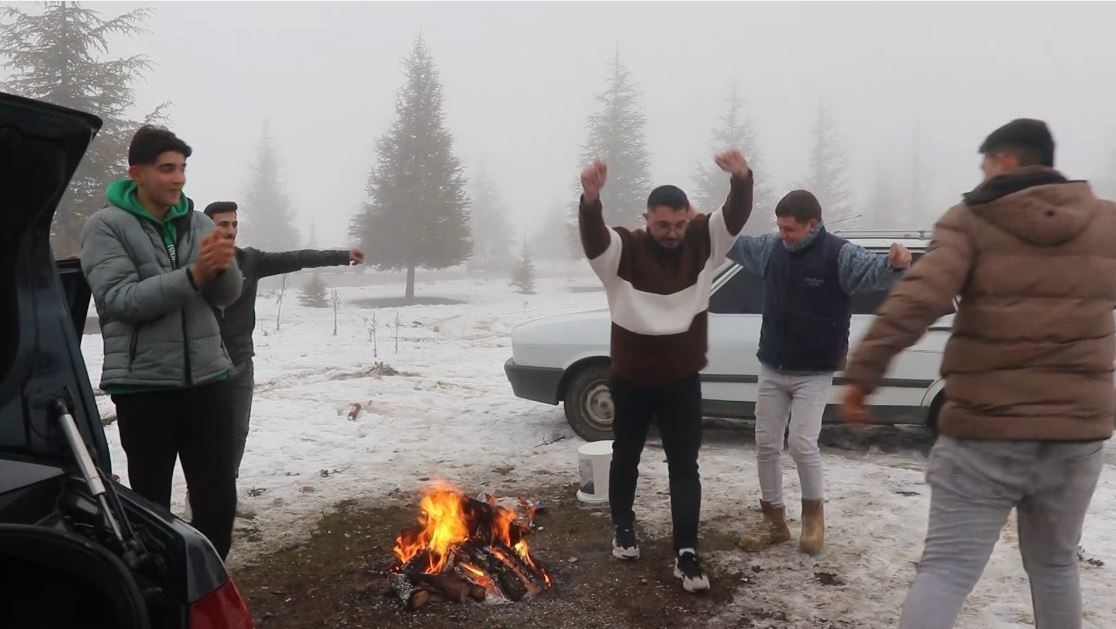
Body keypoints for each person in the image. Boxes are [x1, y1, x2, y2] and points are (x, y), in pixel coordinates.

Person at [841, 118, 1116, 629]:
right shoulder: (1107, 223)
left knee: (947, 569)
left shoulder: (970, 221)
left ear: (1005, 160)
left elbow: (918, 298)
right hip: (1075, 437)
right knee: (1056, 565)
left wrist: (863, 373)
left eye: (984, 162)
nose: (982, 173)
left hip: (986, 431)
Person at [578, 149, 753, 593]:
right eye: (662, 225)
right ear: (646, 219)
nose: (672, 233)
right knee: (626, 456)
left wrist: (741, 178)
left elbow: (735, 215)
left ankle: (687, 551)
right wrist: (591, 200)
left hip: (681, 381)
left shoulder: (703, 241)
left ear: (689, 217)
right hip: (632, 379)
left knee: (684, 466)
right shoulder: (624, 251)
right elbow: (595, 239)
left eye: (678, 224)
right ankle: (623, 527)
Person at [81, 125, 242, 559]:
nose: (179, 179)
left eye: (183, 168)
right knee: (151, 506)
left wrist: (222, 270)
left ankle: (208, 590)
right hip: (145, 388)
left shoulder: (200, 221)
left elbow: (227, 297)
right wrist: (194, 275)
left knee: (218, 501)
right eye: (167, 169)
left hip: (208, 380)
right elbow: (119, 300)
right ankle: (162, 597)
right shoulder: (105, 227)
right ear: (137, 172)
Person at [727, 190, 911, 555]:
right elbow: (733, 244)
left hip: (814, 370)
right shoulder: (770, 250)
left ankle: (813, 520)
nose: (783, 235)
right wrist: (704, 226)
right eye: (780, 227)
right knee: (765, 443)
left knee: (801, 443)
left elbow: (874, 272)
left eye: (790, 229)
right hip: (772, 365)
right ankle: (773, 520)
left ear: (813, 225)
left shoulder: (838, 255)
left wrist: (895, 263)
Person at [202, 201, 364, 480]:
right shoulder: (194, 266)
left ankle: (224, 493)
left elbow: (298, 258)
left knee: (237, 432)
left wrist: (342, 255)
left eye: (234, 224)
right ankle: (202, 493)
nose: (230, 230)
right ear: (206, 228)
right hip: (204, 367)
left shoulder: (250, 261)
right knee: (205, 436)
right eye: (223, 224)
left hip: (240, 363)